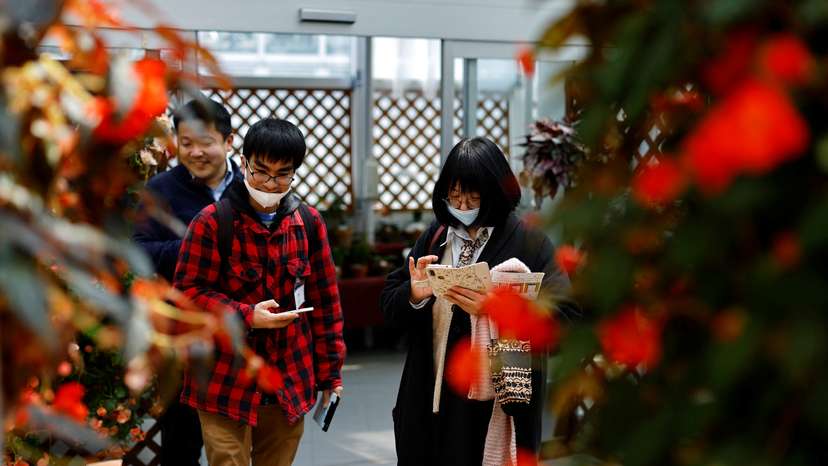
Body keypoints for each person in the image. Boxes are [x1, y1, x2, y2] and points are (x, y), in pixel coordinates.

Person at [380, 137, 578, 465]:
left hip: (495, 401)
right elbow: (389, 304)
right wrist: (414, 294)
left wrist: (496, 309)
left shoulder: (529, 242)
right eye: (454, 194)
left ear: (496, 191)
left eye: (473, 195)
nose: (462, 204)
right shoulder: (436, 236)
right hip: (430, 398)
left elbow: (567, 317)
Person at [173, 118, 346, 466]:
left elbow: (326, 305)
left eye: (282, 175)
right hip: (224, 380)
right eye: (261, 171)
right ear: (243, 162)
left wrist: (330, 374)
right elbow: (187, 295)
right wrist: (248, 316)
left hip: (288, 379)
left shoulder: (308, 223)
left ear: (294, 173)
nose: (269, 183)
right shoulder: (212, 222)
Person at [133, 98, 240, 466]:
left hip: (242, 331)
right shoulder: (160, 190)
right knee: (181, 444)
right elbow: (139, 252)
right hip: (181, 335)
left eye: (206, 142)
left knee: (239, 442)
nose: (195, 152)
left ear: (228, 141)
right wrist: (195, 249)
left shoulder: (250, 189)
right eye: (186, 142)